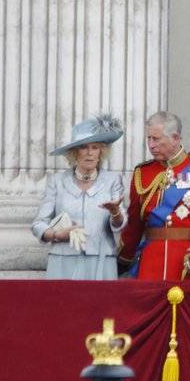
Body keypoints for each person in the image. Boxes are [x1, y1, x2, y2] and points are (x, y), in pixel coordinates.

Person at [119, 111, 190, 281]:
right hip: (150, 263)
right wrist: (122, 261)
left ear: (175, 138)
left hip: (188, 262)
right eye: (149, 139)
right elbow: (135, 224)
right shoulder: (143, 172)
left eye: (156, 139)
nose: (151, 145)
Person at [32, 113, 128, 280]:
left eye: (95, 147)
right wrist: (56, 235)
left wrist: (115, 212)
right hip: (63, 261)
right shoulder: (57, 181)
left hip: (101, 261)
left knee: (100, 306)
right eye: (83, 147)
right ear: (74, 152)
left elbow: (120, 224)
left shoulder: (113, 181)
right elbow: (39, 223)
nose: (89, 153)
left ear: (101, 152)